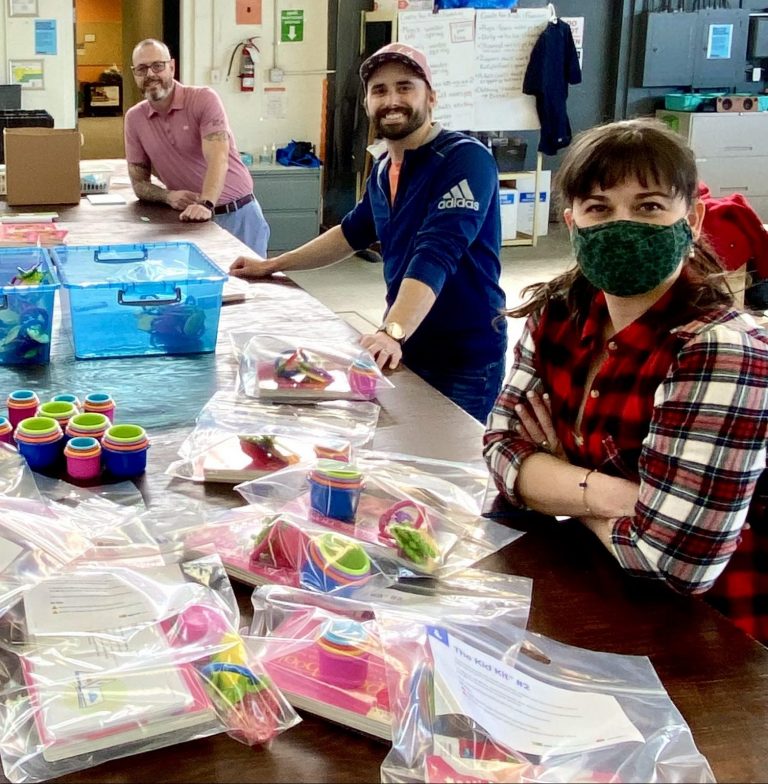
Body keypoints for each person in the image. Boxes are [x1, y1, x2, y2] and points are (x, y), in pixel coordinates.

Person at [484, 118, 768, 643]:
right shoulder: (559, 315)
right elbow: (501, 452)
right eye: (599, 208)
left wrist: (563, 483)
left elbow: (677, 564)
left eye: (649, 206)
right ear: (572, 223)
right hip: (593, 595)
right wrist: (623, 497)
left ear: (694, 218)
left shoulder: (718, 350)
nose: (623, 224)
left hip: (712, 640)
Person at [230, 43, 507, 423]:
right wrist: (273, 264)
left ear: (432, 97)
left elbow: (437, 251)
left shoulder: (464, 159)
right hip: (409, 343)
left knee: (455, 463)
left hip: (463, 355)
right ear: (366, 104)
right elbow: (351, 232)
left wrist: (392, 331)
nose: (392, 99)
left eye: (405, 87)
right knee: (406, 452)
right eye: (379, 90)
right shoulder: (382, 169)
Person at [124, 38, 269, 256]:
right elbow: (139, 183)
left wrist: (206, 204)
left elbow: (218, 158)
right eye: (142, 69)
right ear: (134, 74)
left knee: (250, 287)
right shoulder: (135, 118)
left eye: (158, 66)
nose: (150, 74)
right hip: (189, 222)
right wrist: (168, 196)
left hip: (237, 215)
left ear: (172, 66)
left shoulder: (203, 99)